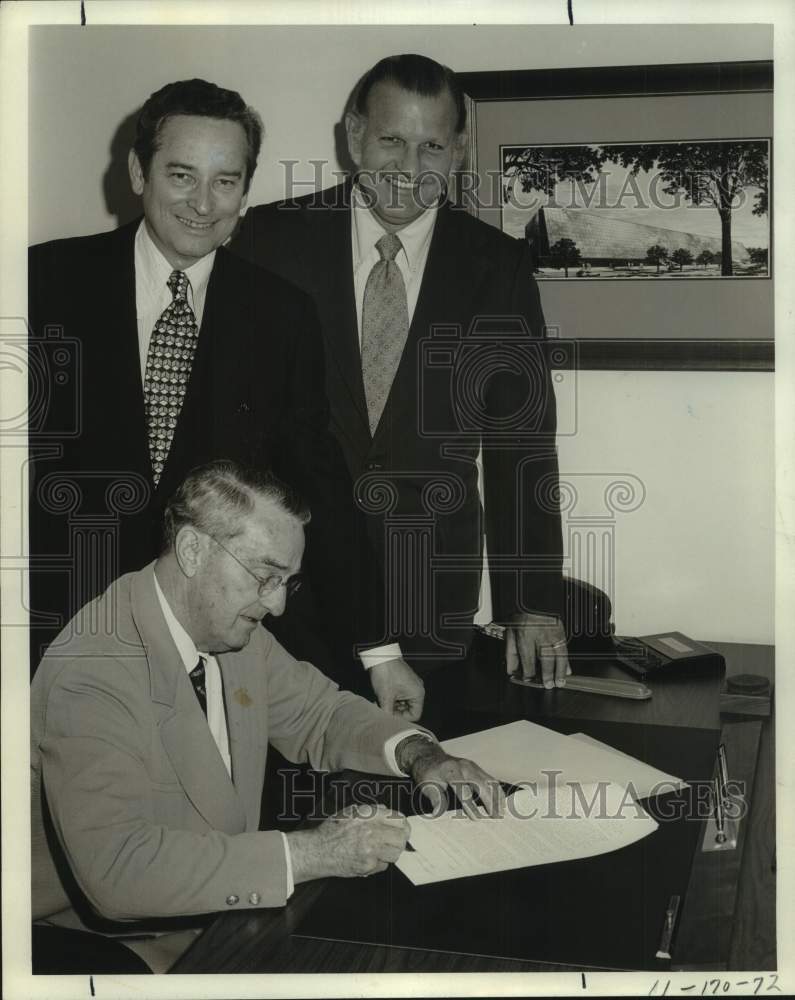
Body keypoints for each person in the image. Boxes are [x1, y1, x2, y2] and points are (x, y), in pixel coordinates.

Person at [31, 460, 504, 974]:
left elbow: (322, 714)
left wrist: (421, 756)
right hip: (99, 943)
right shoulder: (94, 668)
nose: (276, 604)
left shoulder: (231, 632)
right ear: (193, 550)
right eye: (265, 576)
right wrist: (310, 854)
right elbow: (118, 872)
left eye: (287, 582)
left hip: (212, 913)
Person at [230, 54, 569, 721]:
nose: (409, 167)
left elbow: (520, 444)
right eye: (390, 140)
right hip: (287, 589)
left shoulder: (495, 268)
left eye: (431, 146)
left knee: (424, 784)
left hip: (427, 597)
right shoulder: (267, 242)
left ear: (458, 152)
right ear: (354, 136)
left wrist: (530, 603)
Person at [27, 78, 346, 672]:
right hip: (52, 629)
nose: (203, 203)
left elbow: (316, 486)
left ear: (245, 194)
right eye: (181, 175)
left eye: (225, 182)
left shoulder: (284, 314)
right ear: (137, 172)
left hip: (210, 646)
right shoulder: (40, 282)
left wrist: (376, 649)